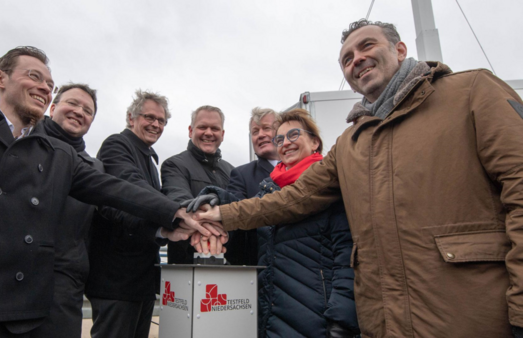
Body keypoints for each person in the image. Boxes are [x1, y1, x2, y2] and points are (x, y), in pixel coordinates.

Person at [192, 19, 523, 338]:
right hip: (384, 321)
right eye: (346, 59)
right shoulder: (352, 143)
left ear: (400, 49)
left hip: (475, 315)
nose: (357, 60)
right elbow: (292, 199)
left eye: (367, 46)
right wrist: (220, 212)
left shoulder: (470, 92)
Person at [0, 46, 213, 337]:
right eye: (34, 76)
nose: (43, 87)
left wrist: (173, 214)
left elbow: (115, 191)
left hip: (33, 302)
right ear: (0, 78)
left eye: (49, 84)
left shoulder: (59, 155)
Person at [193, 109, 359, 337]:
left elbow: (348, 260)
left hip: (317, 321)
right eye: (279, 139)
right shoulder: (269, 190)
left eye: (293, 135)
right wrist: (219, 200)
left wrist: (341, 321)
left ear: (314, 142)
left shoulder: (331, 189)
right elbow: (249, 242)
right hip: (272, 316)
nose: (285, 143)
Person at [85, 90, 171, 338]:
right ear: (131, 117)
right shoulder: (116, 145)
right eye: (149, 117)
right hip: (116, 282)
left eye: (161, 121)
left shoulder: (149, 160)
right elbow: (131, 188)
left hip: (141, 281)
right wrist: (175, 214)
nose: (156, 124)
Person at [27, 83, 102, 338]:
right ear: (53, 106)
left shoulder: (95, 168)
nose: (80, 112)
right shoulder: (22, 142)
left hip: (64, 283)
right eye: (73, 103)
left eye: (88, 110)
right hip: (10, 273)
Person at [161, 105, 234, 264]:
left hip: (231, 263)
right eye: (202, 127)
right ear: (190, 130)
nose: (208, 133)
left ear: (222, 134)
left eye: (214, 128)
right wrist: (208, 229)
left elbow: (241, 207)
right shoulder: (174, 165)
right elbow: (178, 199)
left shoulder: (232, 171)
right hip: (187, 263)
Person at [225, 107, 279, 265]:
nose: (261, 135)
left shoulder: (303, 169)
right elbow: (237, 219)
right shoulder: (241, 174)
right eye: (255, 131)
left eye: (267, 128)